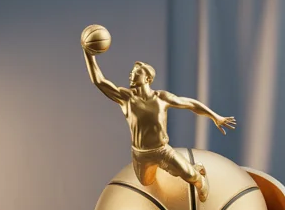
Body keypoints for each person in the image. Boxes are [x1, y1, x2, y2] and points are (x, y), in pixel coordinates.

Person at [84, 50, 237, 202]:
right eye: (131, 73)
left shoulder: (161, 98)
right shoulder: (126, 98)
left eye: (136, 73)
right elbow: (99, 81)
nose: (131, 75)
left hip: (162, 151)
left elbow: (190, 104)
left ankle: (200, 179)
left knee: (190, 176)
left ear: (147, 79)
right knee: (146, 183)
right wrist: (89, 55)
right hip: (141, 154)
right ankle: (182, 169)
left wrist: (215, 116)